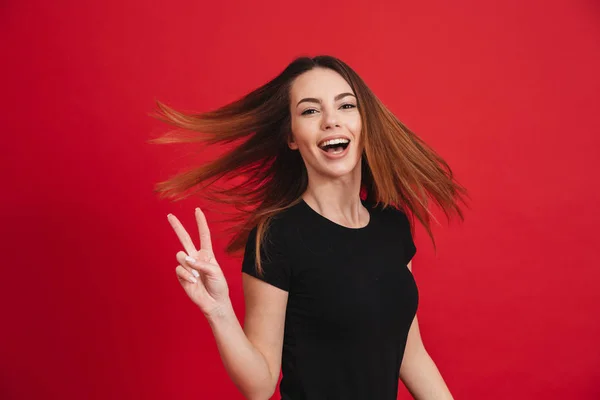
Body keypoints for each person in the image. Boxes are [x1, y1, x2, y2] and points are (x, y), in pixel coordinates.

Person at [153, 55, 468, 400]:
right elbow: (260, 386)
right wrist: (219, 311)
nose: (331, 121)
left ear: (365, 122)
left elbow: (411, 353)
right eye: (310, 111)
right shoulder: (277, 235)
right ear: (291, 136)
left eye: (346, 105)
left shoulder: (392, 226)